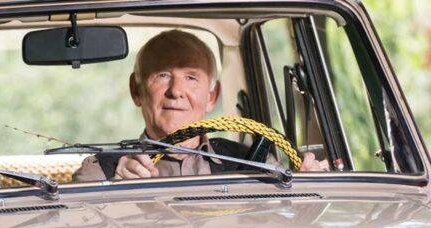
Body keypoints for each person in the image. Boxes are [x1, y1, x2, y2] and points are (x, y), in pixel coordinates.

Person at [73, 30, 322, 182]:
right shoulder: (100, 172)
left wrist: (307, 189)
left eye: (191, 77)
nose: (176, 91)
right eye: (162, 75)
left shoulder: (252, 163)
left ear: (212, 96)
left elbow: (283, 227)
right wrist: (115, 190)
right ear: (136, 90)